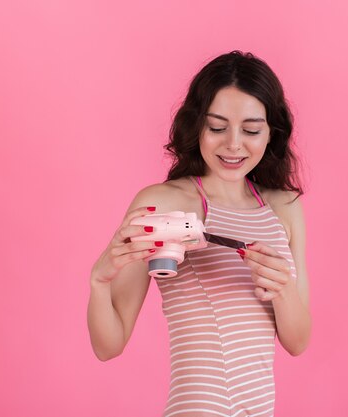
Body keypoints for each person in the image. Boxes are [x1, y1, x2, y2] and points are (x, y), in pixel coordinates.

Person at [87, 50, 311, 417]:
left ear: (272, 132)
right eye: (218, 127)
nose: (234, 144)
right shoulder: (161, 202)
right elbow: (108, 346)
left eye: (251, 130)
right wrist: (99, 281)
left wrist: (283, 288)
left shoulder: (284, 208)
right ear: (197, 126)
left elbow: (297, 341)